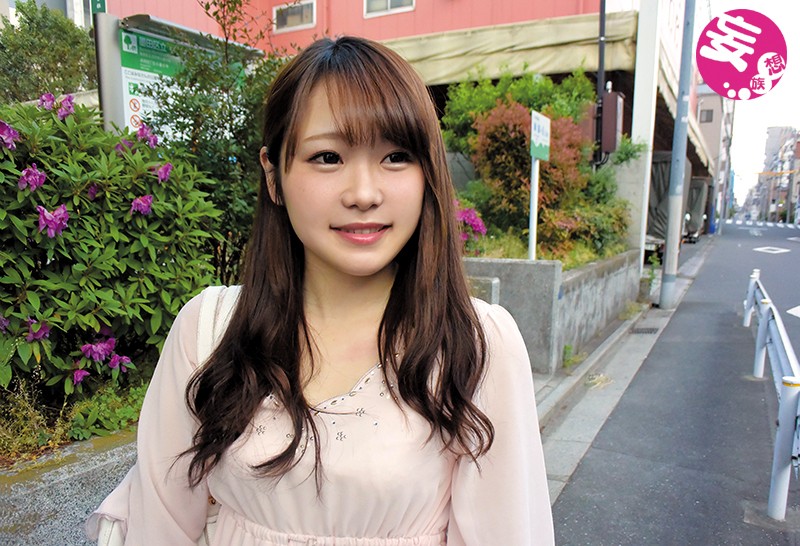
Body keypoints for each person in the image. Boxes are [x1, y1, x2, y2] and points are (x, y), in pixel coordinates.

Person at [86, 35, 554, 545]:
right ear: (273, 176)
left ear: (428, 174)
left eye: (396, 156)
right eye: (328, 157)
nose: (364, 194)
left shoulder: (474, 344)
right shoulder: (210, 329)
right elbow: (160, 525)